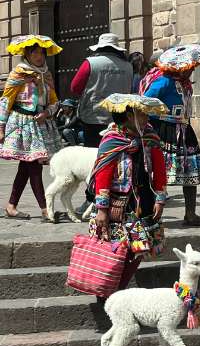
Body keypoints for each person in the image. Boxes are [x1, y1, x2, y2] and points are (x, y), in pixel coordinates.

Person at [87, 93, 168, 306]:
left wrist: (160, 197)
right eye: (140, 113)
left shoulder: (150, 137)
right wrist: (102, 208)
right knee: (115, 249)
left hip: (143, 201)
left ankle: (117, 293)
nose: (145, 118)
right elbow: (103, 174)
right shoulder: (112, 139)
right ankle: (106, 294)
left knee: (138, 249)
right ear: (128, 115)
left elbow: (160, 169)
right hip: (117, 203)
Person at [142, 44, 200, 227]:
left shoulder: (185, 83)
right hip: (163, 131)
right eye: (189, 66)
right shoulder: (164, 82)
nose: (192, 69)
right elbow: (145, 101)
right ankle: (152, 213)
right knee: (155, 172)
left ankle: (190, 214)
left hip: (184, 131)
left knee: (190, 173)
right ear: (179, 66)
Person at [0, 35, 63, 221]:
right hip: (22, 124)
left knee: (26, 167)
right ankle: (45, 209)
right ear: (27, 54)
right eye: (35, 52)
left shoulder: (46, 74)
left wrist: (47, 113)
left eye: (41, 53)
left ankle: (11, 206)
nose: (39, 56)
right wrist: (1, 127)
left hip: (41, 124)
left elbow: (54, 101)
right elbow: (6, 101)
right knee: (34, 166)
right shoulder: (18, 74)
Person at [71, 33, 133, 148]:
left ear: (99, 47)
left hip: (94, 117)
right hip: (120, 117)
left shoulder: (90, 63)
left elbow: (75, 88)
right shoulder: (128, 66)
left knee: (93, 152)